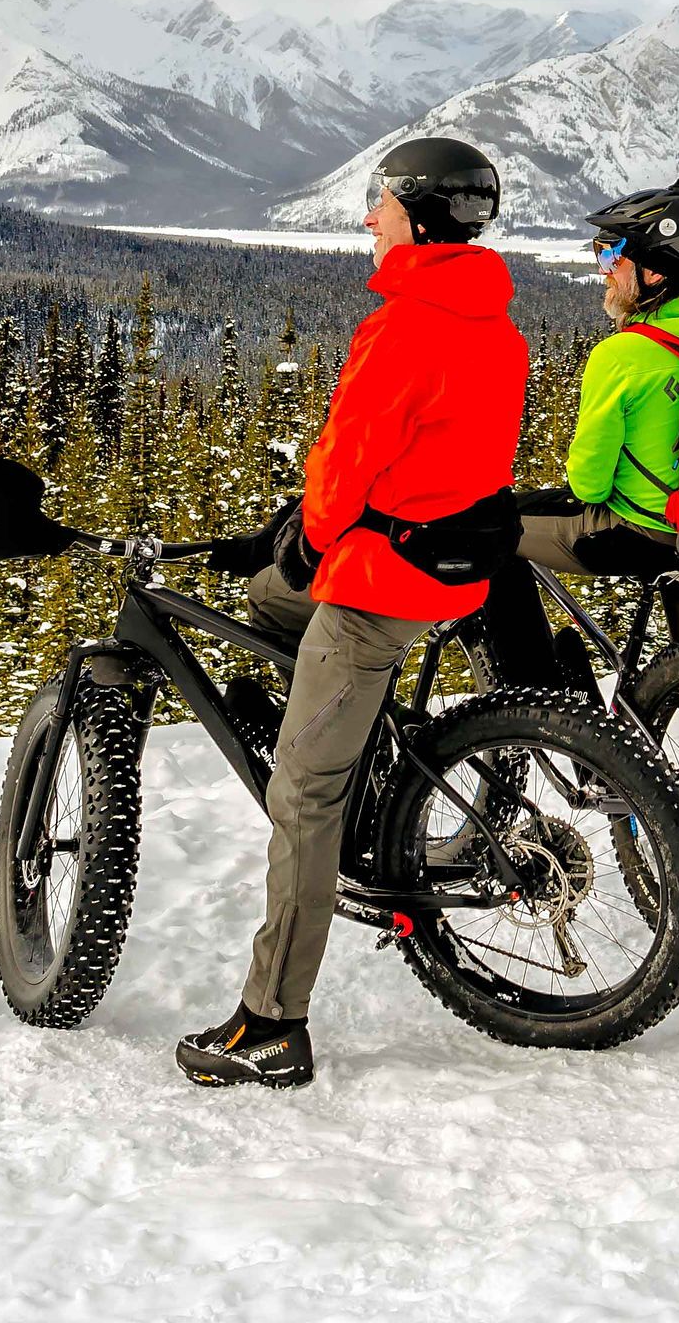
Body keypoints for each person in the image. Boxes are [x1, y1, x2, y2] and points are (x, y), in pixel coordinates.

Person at [176, 136, 526, 1090]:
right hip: (449, 566)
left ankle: (271, 1024)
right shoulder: (492, 321)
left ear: (415, 214)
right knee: (266, 600)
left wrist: (311, 529)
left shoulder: (405, 324)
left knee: (302, 798)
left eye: (378, 200)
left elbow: (344, 466)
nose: (369, 216)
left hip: (380, 587)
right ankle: (345, 735)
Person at [489, 178, 679, 688]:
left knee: (491, 533)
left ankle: (538, 699)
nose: (602, 273)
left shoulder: (619, 356)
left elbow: (589, 484)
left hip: (638, 534)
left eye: (610, 258)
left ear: (652, 270)